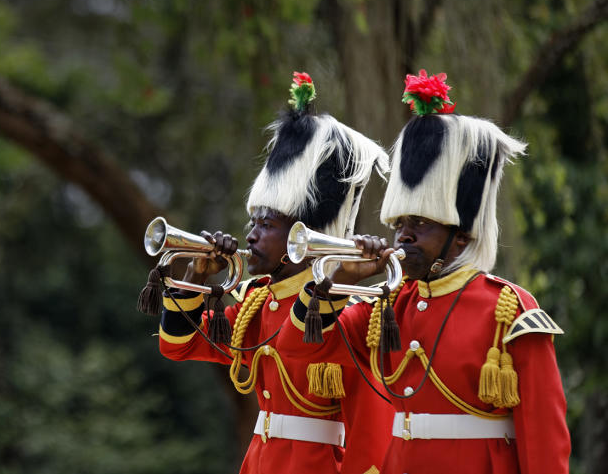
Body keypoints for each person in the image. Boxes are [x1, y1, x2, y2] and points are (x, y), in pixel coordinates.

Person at [277, 69, 570, 474]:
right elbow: (297, 347)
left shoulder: (508, 309)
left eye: (422, 224)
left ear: (462, 235)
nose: (404, 235)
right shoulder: (388, 306)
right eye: (401, 223)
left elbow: (545, 443)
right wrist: (343, 278)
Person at [151, 72, 394, 474]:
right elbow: (177, 345)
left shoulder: (350, 311)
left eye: (267, 224)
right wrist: (196, 272)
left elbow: (372, 433)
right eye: (254, 221)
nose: (251, 233)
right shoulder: (258, 304)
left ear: (302, 235)